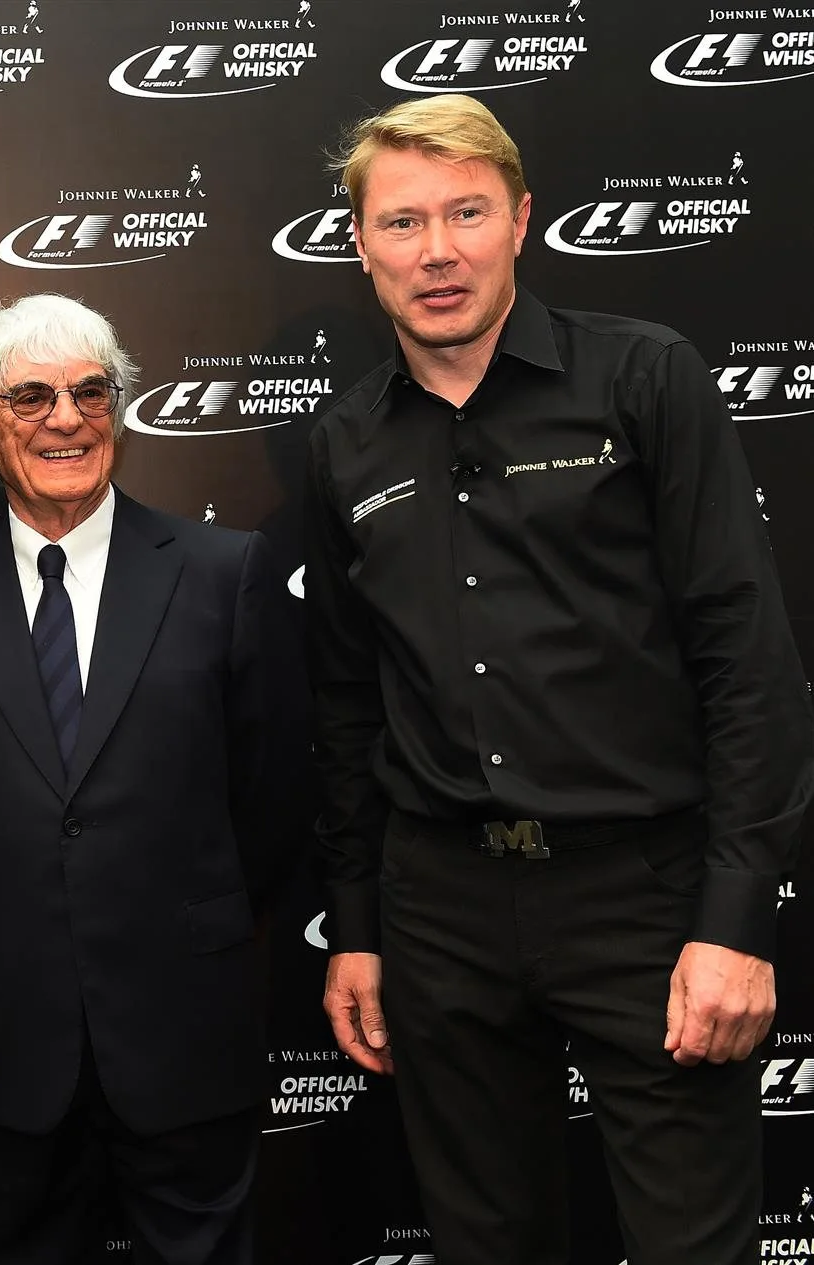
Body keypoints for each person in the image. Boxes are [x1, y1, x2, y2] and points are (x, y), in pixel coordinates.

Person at [305, 93, 813, 1265]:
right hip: (441, 905)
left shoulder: (643, 377)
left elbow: (745, 653)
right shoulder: (342, 441)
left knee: (693, 1246)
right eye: (401, 222)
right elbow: (345, 701)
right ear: (361, 245)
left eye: (465, 213)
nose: (436, 251)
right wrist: (362, 926)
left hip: (640, 891)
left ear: (521, 220)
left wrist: (735, 923)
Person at [0, 294, 308, 1265]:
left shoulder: (223, 572)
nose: (66, 418)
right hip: (8, 1036)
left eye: (90, 391)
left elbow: (273, 791)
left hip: (186, 1024)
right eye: (30, 396)